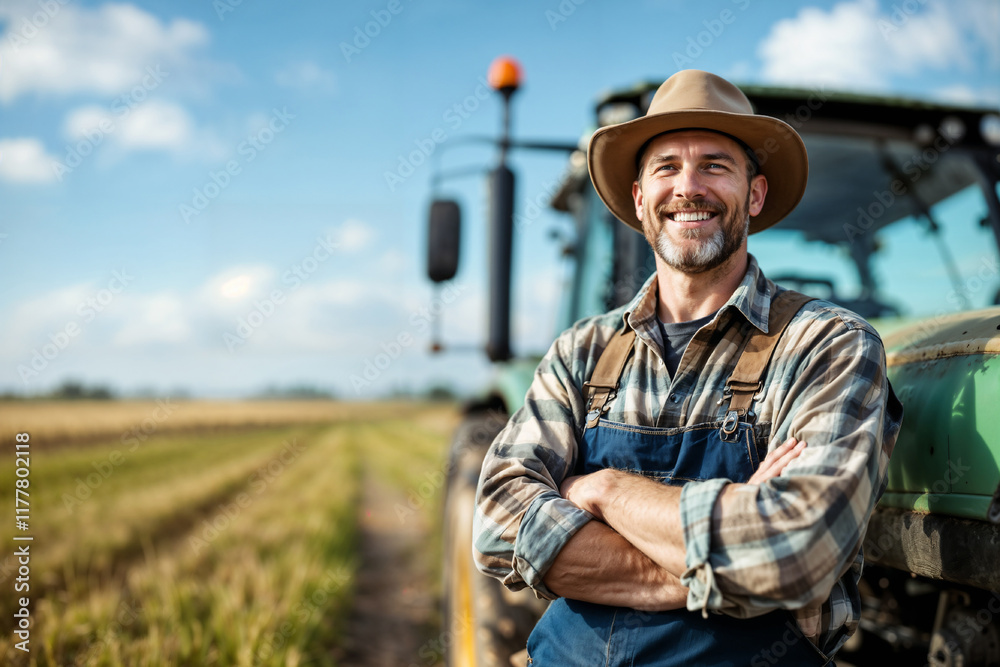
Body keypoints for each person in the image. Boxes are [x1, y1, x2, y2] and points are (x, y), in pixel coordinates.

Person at [472, 69, 903, 665]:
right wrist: (724, 548)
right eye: (667, 167)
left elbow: (796, 554)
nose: (689, 187)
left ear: (753, 194)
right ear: (640, 198)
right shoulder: (582, 352)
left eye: (716, 166)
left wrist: (599, 489)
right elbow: (497, 523)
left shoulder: (826, 346)